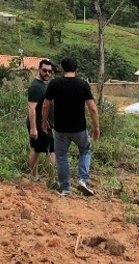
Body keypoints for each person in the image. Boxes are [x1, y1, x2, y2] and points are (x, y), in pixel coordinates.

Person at [41, 56, 99, 197]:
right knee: (85, 149)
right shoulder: (83, 85)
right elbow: (92, 108)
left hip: (61, 128)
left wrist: (44, 121)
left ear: (62, 69)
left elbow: (46, 104)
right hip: (79, 128)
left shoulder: (54, 84)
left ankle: (66, 188)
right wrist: (96, 127)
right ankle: (83, 179)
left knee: (61, 156)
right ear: (76, 69)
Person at [27, 58, 56, 180]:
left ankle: (34, 177)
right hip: (39, 124)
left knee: (37, 149)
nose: (47, 74)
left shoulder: (46, 84)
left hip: (45, 124)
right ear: (39, 69)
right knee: (52, 151)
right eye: (45, 71)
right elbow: (31, 108)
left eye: (50, 71)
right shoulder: (35, 87)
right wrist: (34, 128)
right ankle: (51, 179)